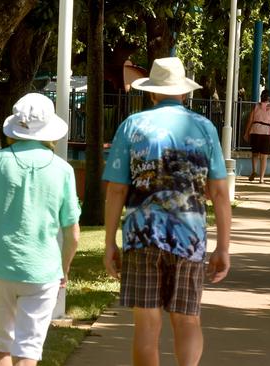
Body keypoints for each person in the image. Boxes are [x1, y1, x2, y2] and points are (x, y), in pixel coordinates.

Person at [101, 57, 231, 366]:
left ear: (152, 93)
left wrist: (109, 243)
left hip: (141, 236)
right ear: (184, 93)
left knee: (147, 324)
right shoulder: (204, 128)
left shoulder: (132, 126)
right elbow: (220, 192)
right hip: (190, 239)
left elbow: (116, 190)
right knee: (187, 320)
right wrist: (223, 247)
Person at [0, 93, 82, 366]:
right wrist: (63, 269)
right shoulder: (64, 171)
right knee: (28, 350)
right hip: (42, 271)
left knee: (1, 345)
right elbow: (73, 233)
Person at [243, 89, 270, 184]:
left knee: (255, 153)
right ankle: (261, 178)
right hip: (267, 132)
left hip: (255, 130)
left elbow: (250, 121)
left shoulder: (256, 106)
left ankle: (254, 170)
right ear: (269, 98)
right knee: (264, 157)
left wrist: (246, 133)